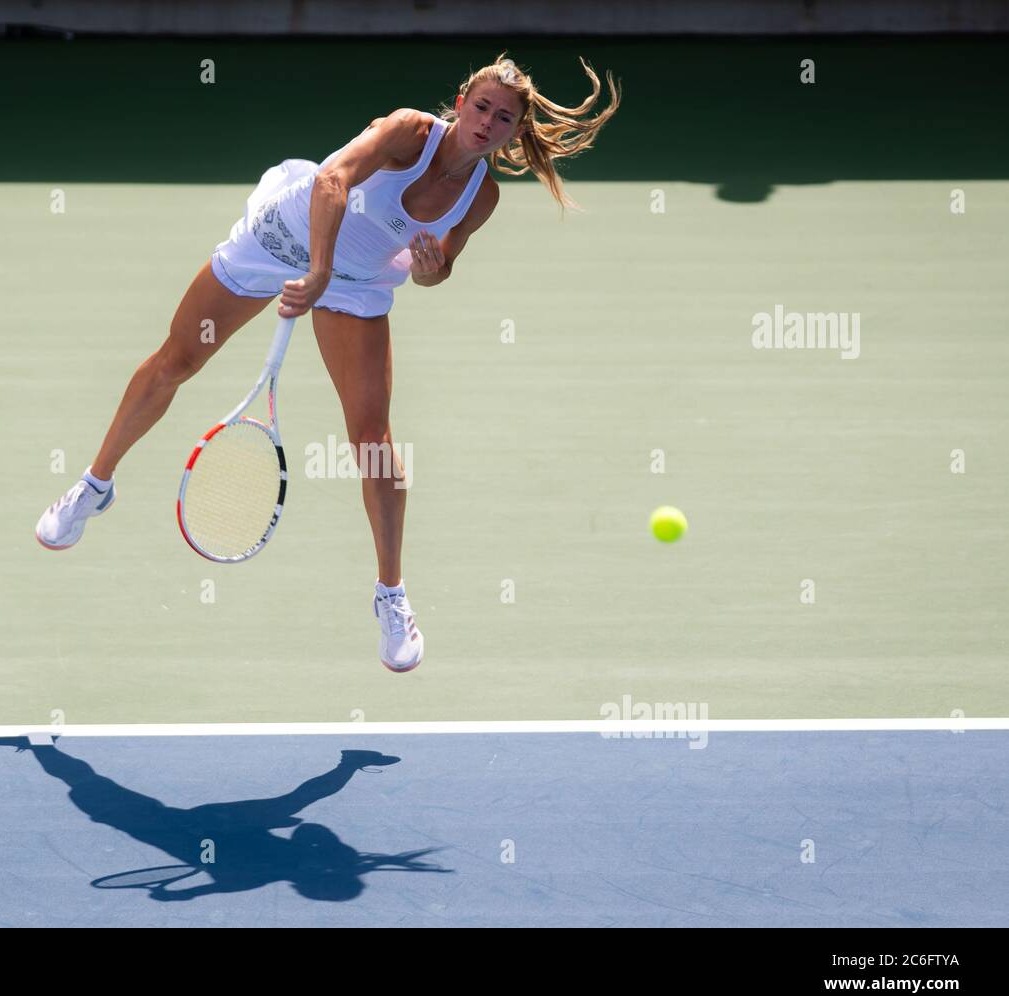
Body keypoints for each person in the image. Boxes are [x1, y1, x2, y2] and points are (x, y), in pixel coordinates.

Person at [35, 53, 621, 672]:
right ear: (461, 101)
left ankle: (391, 594)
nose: (487, 121)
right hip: (285, 238)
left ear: (513, 132)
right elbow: (331, 181)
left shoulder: (482, 196)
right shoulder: (407, 133)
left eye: (503, 118)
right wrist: (315, 270)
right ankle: (94, 487)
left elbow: (441, 266)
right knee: (177, 360)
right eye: (481, 106)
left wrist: (429, 271)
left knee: (372, 438)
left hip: (356, 282)